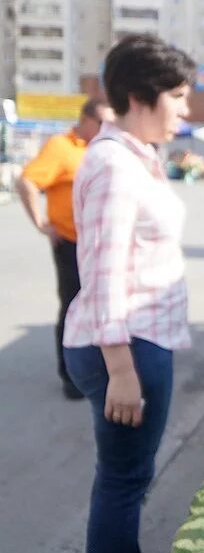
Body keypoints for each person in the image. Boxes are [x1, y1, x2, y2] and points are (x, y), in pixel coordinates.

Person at [61, 34, 196, 553]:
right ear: (142, 96)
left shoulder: (137, 156)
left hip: (142, 340)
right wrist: (120, 369)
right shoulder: (114, 164)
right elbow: (102, 272)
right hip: (126, 346)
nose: (186, 112)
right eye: (180, 97)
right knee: (123, 479)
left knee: (129, 476)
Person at [16, 98, 114, 399]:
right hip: (71, 243)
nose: (106, 130)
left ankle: (103, 368)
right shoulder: (62, 147)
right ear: (86, 120)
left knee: (105, 307)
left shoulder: (105, 148)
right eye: (102, 124)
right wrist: (41, 223)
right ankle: (71, 377)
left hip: (104, 244)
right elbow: (27, 182)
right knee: (74, 308)